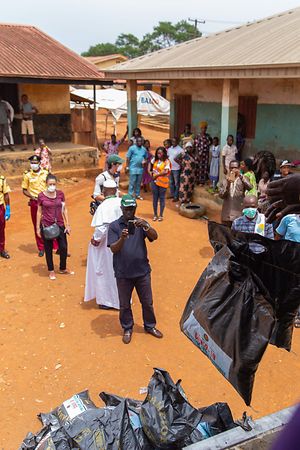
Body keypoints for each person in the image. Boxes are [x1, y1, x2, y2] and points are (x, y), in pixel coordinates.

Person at [108, 194, 163, 344]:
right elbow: (113, 249)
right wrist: (122, 238)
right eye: (126, 209)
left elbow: (155, 236)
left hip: (142, 271)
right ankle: (127, 328)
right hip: (123, 273)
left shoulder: (140, 224)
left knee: (147, 301)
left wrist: (147, 226)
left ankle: (150, 326)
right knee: (124, 304)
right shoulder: (114, 226)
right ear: (121, 209)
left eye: (132, 209)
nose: (129, 212)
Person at [85, 180, 122, 310]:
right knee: (119, 272)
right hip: (121, 243)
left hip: (106, 246)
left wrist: (95, 240)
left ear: (105, 191)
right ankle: (121, 300)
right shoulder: (120, 202)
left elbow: (101, 229)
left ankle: (108, 302)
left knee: (105, 272)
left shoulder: (104, 206)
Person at [36, 174, 72, 280]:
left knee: (63, 247)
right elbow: (39, 212)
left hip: (60, 224)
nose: (52, 186)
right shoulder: (41, 196)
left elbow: (64, 209)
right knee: (48, 249)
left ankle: (62, 268)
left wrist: (68, 224)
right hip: (47, 225)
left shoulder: (60, 194)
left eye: (54, 184)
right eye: (50, 184)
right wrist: (38, 228)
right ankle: (51, 270)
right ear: (46, 184)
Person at [22, 155, 50, 257]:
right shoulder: (27, 175)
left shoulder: (46, 173)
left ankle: (54, 245)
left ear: (39, 163)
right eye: (32, 162)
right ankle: (41, 247)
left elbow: (51, 185)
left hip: (46, 201)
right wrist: (32, 197)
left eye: (35, 162)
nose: (33, 164)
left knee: (50, 222)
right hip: (35, 202)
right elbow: (24, 190)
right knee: (37, 224)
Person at [276, 211, 300, 328]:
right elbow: (278, 237)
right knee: (287, 287)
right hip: (289, 261)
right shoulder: (288, 219)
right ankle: (284, 314)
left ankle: (298, 315)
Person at [219, 160, 252, 226]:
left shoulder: (243, 178)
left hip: (238, 213)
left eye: (235, 168)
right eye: (231, 167)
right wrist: (228, 184)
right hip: (226, 213)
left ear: (239, 168)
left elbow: (250, 187)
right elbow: (221, 195)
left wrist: (241, 176)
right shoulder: (225, 180)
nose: (233, 169)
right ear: (229, 168)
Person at [150, 147, 171, 221]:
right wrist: (150, 172)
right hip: (154, 182)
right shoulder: (155, 160)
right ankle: (155, 215)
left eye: (160, 153)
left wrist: (156, 175)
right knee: (155, 199)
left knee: (162, 198)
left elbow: (165, 171)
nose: (159, 154)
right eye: (158, 153)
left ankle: (161, 215)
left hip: (162, 183)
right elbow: (150, 165)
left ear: (164, 153)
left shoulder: (167, 161)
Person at [194, 121, 212, 185]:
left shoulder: (208, 136)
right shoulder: (198, 136)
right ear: (200, 128)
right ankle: (197, 181)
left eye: (205, 128)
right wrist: (197, 154)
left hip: (205, 155)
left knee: (204, 168)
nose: (204, 129)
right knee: (198, 167)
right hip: (199, 154)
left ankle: (202, 181)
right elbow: (195, 146)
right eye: (202, 128)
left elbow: (210, 143)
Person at [0, 173, 11, 259]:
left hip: (0, 208)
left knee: (1, 229)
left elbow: (6, 194)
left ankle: (1, 250)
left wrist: (7, 208)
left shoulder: (2, 180)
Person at [167, 137, 182, 202]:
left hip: (176, 168)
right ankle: (172, 194)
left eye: (175, 142)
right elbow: (168, 157)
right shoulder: (169, 149)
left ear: (177, 142)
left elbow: (181, 159)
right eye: (172, 142)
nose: (173, 143)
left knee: (176, 183)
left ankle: (176, 196)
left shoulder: (180, 150)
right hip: (170, 168)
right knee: (171, 182)